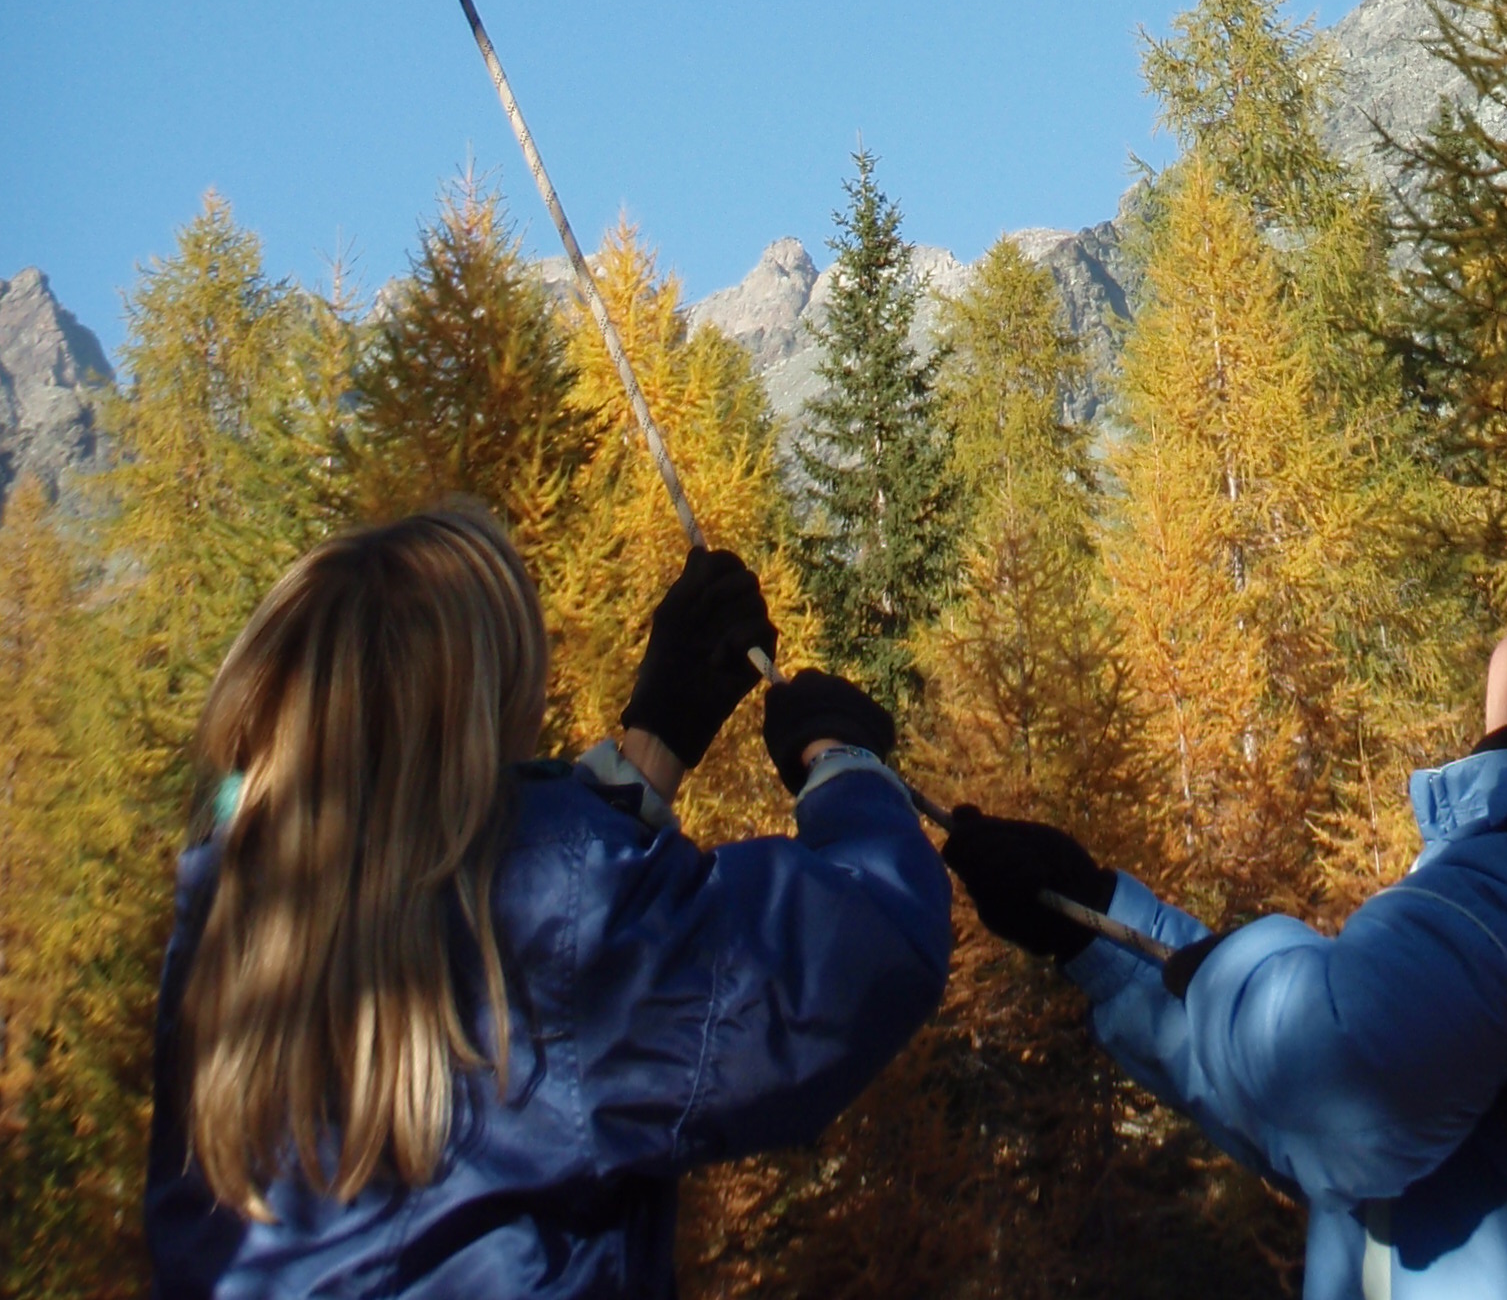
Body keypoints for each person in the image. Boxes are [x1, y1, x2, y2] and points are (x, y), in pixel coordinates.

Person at [945, 496, 1507, 1300]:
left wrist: (1243, 965)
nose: (1500, 646)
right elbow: (1329, 1128)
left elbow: (1347, 1068)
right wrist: (1099, 929)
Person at [146, 505, 949, 1299]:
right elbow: (860, 953)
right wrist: (842, 762)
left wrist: (652, 748)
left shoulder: (225, 923)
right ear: (473, 714)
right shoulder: (545, 926)